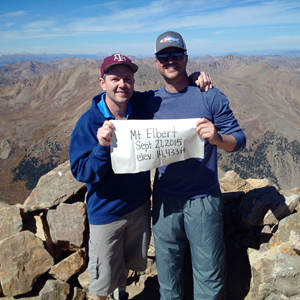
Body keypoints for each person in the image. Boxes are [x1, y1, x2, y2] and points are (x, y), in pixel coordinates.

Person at [69, 53, 212, 300]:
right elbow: (81, 171)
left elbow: (169, 91)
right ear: (102, 83)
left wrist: (193, 78)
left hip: (139, 207)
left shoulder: (141, 105)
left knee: (125, 266)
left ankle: (121, 295)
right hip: (107, 213)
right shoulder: (89, 122)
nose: (122, 84)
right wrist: (102, 148)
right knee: (101, 285)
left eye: (127, 78)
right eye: (115, 79)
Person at [148, 31, 246, 300]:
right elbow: (117, 102)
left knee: (209, 278)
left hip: (203, 199)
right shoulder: (149, 102)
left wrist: (217, 138)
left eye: (176, 55)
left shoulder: (210, 97)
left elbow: (238, 140)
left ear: (186, 58)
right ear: (156, 62)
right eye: (164, 56)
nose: (171, 61)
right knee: (168, 279)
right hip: (165, 201)